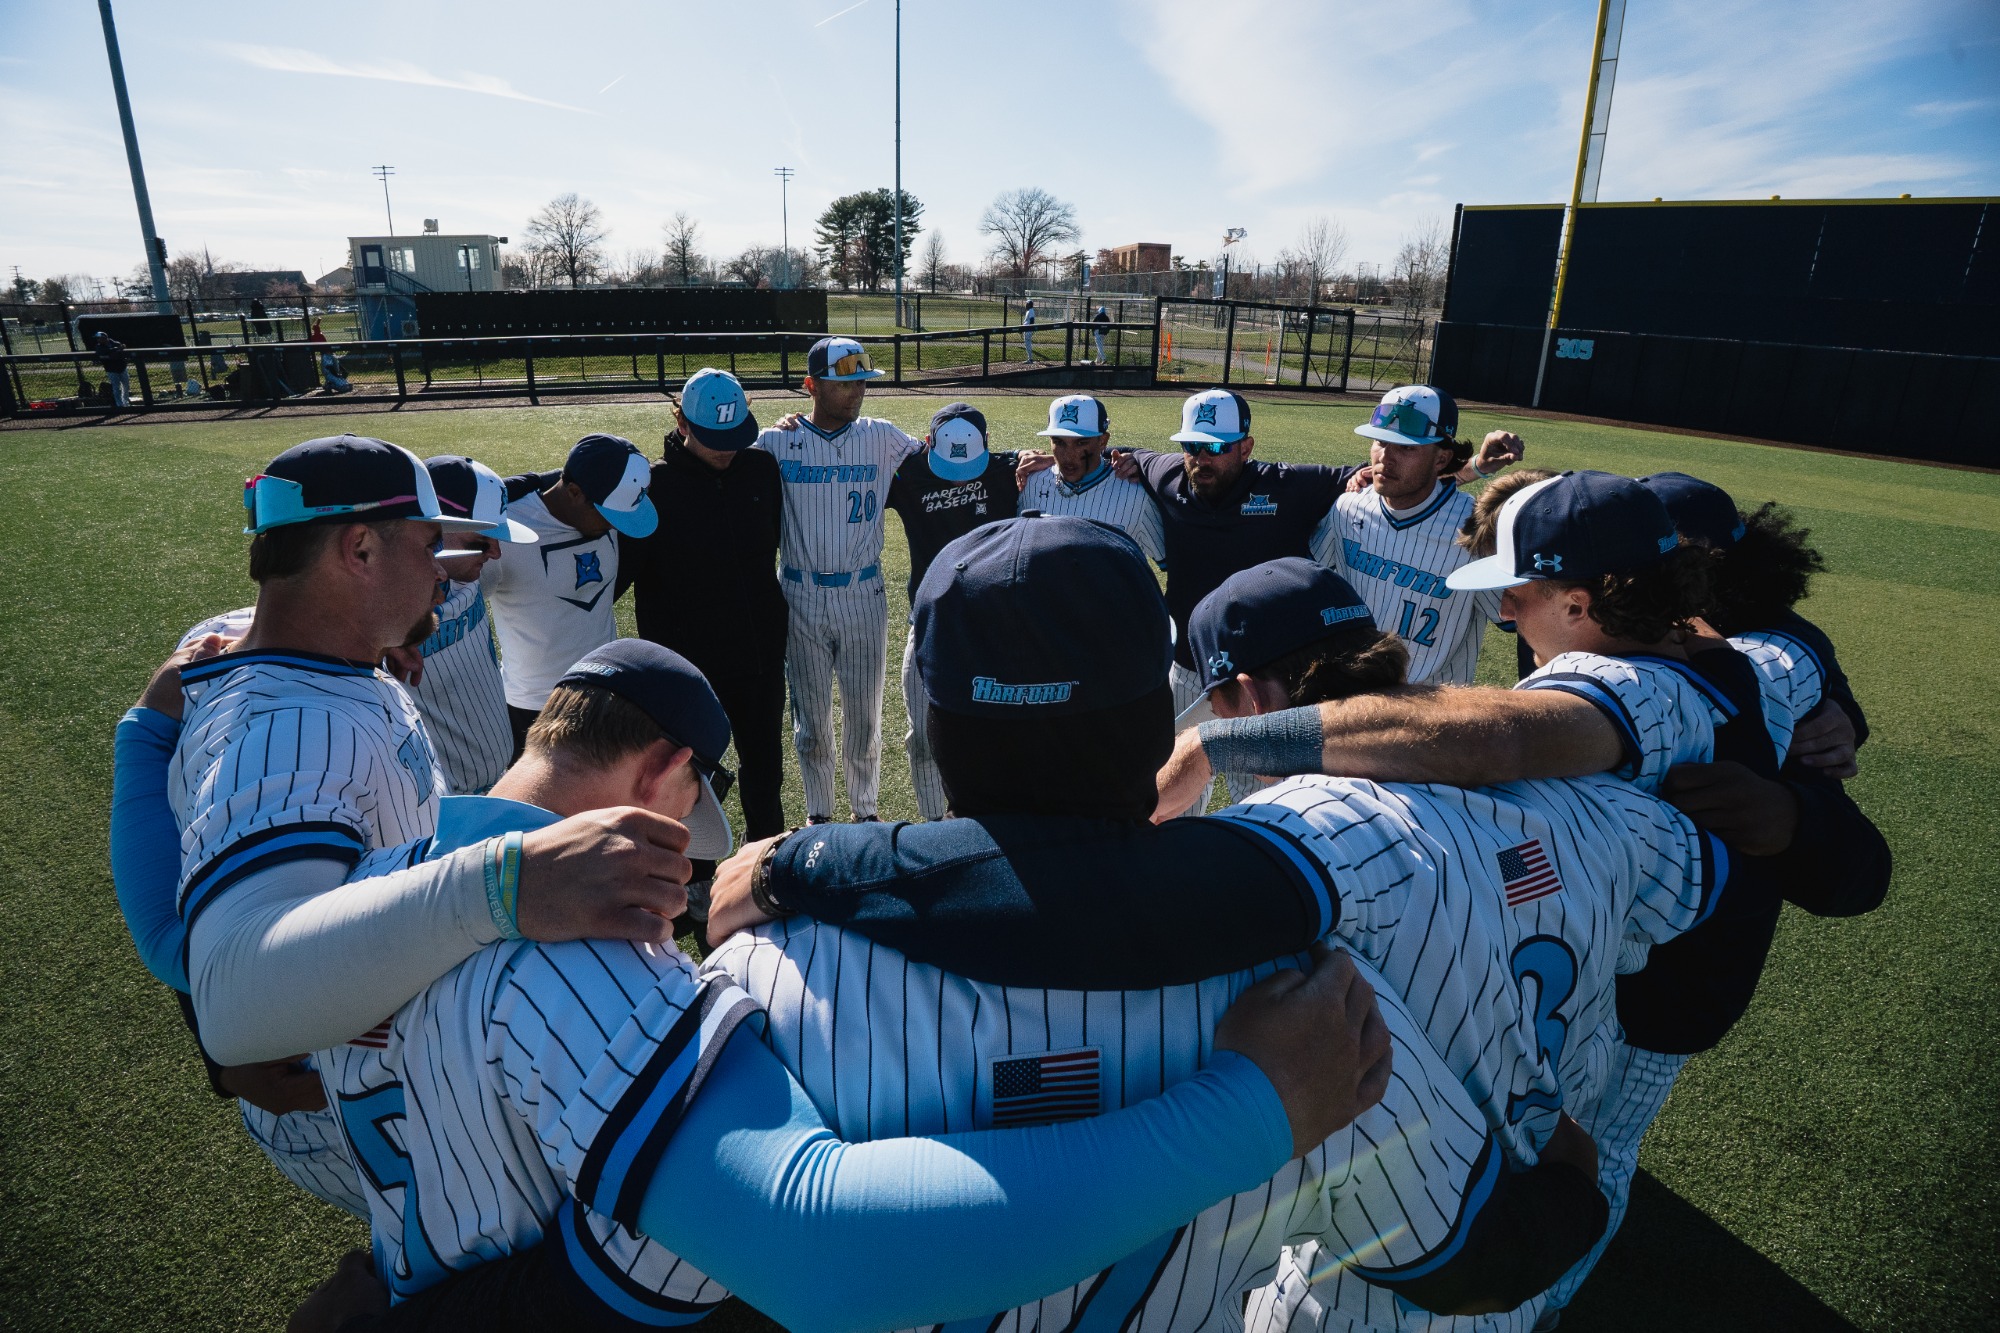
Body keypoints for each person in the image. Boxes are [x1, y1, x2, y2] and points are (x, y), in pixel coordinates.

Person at [122, 637, 1386, 1333]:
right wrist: (1251, 1104)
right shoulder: (593, 956)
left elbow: (248, 1049)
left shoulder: (345, 903)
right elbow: (814, 1246)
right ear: (667, 768)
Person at [692, 516, 1620, 1329]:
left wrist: (802, 859)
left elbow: (641, 1268)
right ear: (1155, 726)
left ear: (932, 724)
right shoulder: (1316, 1011)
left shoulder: (763, 977)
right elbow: (1483, 1261)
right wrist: (1581, 1183)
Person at [166, 434, 693, 1076]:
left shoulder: (283, 647)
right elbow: (233, 1000)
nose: (440, 568)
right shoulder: (294, 729)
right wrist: (507, 882)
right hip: (369, 1092)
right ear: (358, 549)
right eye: (425, 545)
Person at [617, 368, 789, 857]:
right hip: (687, 666)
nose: (727, 448)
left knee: (764, 770)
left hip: (757, 655)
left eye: (736, 435)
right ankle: (689, 877)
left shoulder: (760, 470)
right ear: (683, 424)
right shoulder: (653, 487)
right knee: (683, 779)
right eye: (715, 437)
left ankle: (766, 863)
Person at [755, 336, 922, 823]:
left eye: (861, 382)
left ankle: (865, 814)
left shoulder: (882, 435)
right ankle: (819, 817)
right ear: (811, 385)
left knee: (865, 722)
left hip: (863, 595)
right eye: (843, 382)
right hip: (800, 594)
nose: (856, 392)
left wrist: (1022, 463)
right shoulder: (775, 442)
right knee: (810, 726)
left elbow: (945, 466)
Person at [1311, 384, 1524, 683]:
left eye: (1406, 447)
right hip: (1352, 697)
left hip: (1433, 712)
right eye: (1380, 441)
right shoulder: (1347, 508)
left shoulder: (1475, 531)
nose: (1385, 457)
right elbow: (1312, 583)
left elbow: (1520, 617)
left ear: (1440, 459)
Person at [483, 433, 657, 758]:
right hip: (533, 708)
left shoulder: (609, 506)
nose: (615, 526)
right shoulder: (505, 533)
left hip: (604, 695)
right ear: (575, 492)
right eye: (609, 515)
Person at [883, 402, 1019, 819]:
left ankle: (989, 822)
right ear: (927, 444)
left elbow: (1087, 455)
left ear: (987, 445)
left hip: (992, 630)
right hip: (927, 624)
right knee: (922, 736)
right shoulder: (907, 475)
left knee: (995, 733)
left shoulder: (1008, 471)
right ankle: (933, 826)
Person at [402, 457, 538, 793]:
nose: (495, 553)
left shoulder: (473, 573)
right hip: (445, 804)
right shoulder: (385, 612)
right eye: (480, 541)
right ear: (432, 530)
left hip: (501, 778)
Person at [1016, 394, 1165, 563]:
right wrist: (1017, 453)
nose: (1068, 456)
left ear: (1103, 441)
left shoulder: (1135, 492)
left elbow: (1173, 566)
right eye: (1059, 442)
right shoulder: (1031, 484)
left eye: (1081, 443)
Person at [309, 318, 350, 393]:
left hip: (327, 359)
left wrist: (340, 372)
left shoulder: (315, 336)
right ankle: (329, 385)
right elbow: (330, 368)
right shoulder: (318, 337)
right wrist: (337, 374)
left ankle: (329, 384)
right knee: (338, 381)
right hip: (327, 363)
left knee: (345, 382)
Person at [92, 330, 130, 406]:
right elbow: (103, 352)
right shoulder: (99, 346)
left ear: (104, 338)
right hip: (111, 369)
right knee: (116, 387)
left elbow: (119, 351)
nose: (98, 340)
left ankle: (125, 402)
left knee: (126, 385)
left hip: (122, 367)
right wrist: (116, 350)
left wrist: (116, 350)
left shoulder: (115, 343)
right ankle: (119, 404)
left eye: (99, 338)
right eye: (97, 339)